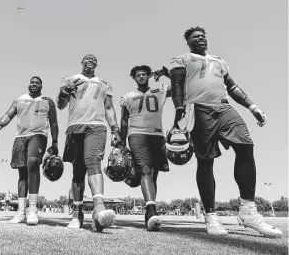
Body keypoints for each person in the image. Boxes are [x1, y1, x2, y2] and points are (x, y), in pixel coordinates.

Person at [162, 26, 282, 237]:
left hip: (224, 107)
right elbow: (177, 85)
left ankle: (248, 210)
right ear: (188, 42)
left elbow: (232, 86)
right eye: (195, 37)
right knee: (206, 160)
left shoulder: (219, 61)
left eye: (202, 36)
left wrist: (253, 107)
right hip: (197, 109)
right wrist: (179, 110)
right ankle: (211, 216)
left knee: (246, 145)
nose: (200, 38)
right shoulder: (181, 58)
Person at [57, 54, 121, 232]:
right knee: (78, 170)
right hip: (75, 126)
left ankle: (98, 208)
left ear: (96, 64)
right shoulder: (71, 79)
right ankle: (77, 212)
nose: (91, 60)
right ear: (82, 62)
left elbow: (109, 108)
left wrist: (115, 129)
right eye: (87, 58)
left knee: (93, 162)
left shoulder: (104, 83)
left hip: (97, 126)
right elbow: (60, 104)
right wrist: (64, 92)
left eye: (94, 59)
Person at [0, 76, 59, 225]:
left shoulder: (48, 101)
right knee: (22, 172)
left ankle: (33, 209)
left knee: (33, 163)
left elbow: (54, 123)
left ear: (42, 86)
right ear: (28, 85)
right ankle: (21, 211)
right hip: (21, 137)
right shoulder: (19, 100)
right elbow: (9, 115)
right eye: (32, 82)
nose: (34, 84)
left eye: (37, 82)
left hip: (39, 134)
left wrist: (55, 142)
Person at [120, 65, 170, 231]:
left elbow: (181, 86)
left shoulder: (160, 91)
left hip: (157, 135)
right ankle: (151, 210)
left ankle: (150, 210)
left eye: (143, 74)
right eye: (137, 75)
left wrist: (168, 74)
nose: (141, 77)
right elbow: (124, 120)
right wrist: (122, 141)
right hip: (136, 134)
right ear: (134, 78)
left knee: (154, 174)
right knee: (145, 170)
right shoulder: (128, 96)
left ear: (148, 75)